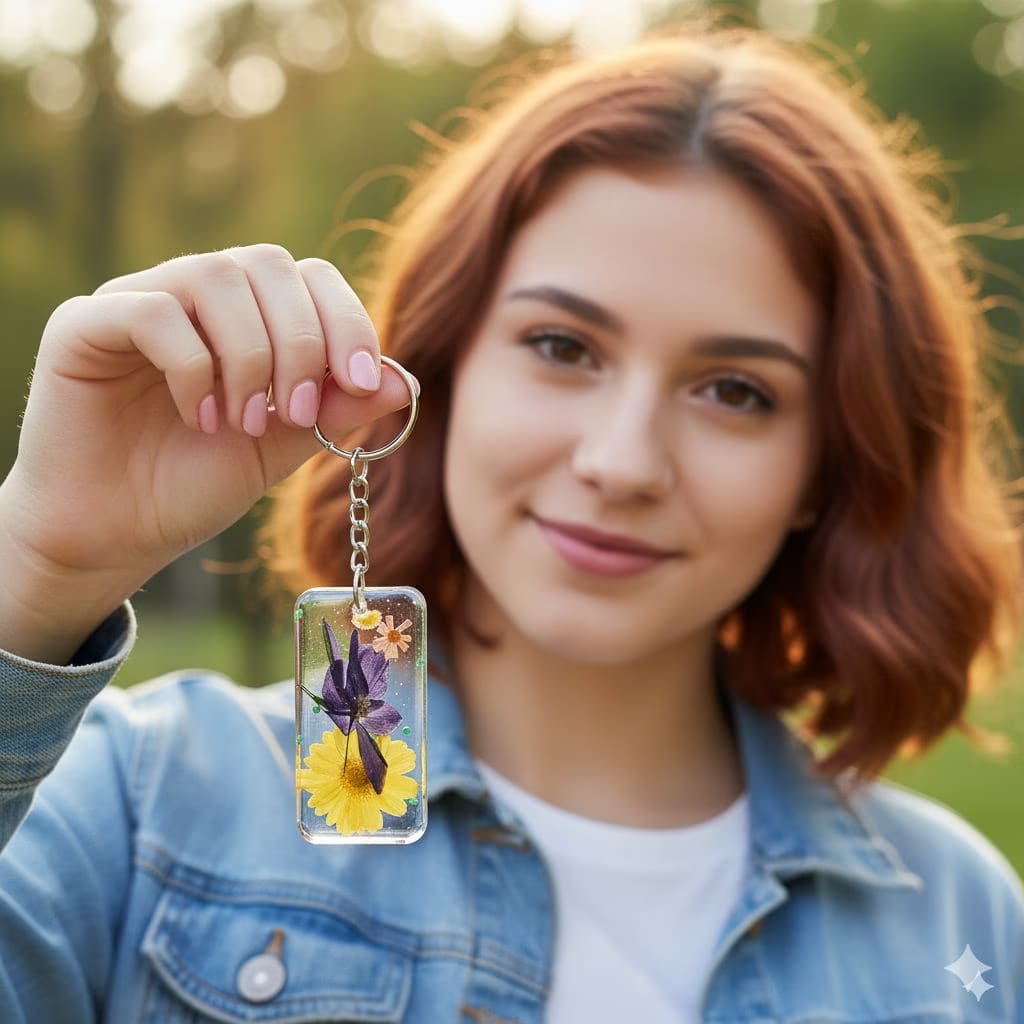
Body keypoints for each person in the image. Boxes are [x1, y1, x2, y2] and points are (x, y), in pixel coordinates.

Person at [1, 18, 1022, 1024]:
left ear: (823, 462)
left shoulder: (963, 927)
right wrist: (40, 564)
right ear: (440, 370)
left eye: (735, 391)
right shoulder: (139, 808)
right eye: (562, 345)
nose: (621, 463)